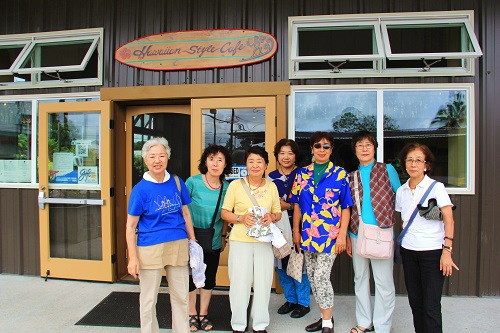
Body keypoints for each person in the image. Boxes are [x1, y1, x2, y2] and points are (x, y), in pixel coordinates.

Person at [126, 137, 196, 333]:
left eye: (161, 156)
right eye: (152, 156)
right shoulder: (139, 190)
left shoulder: (177, 182)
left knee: (181, 296)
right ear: (145, 160)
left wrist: (193, 242)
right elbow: (130, 226)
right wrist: (132, 257)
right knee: (148, 299)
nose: (157, 160)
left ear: (168, 157)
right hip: (150, 247)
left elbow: (185, 213)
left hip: (178, 244)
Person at [289, 131, 353, 333]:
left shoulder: (340, 174)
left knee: (321, 277)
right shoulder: (301, 174)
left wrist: (343, 234)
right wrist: (295, 231)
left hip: (330, 236)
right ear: (312, 149)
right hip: (308, 234)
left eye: (326, 146)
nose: (322, 149)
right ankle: (326, 316)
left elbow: (346, 207)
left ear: (332, 149)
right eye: (318, 146)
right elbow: (297, 204)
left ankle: (327, 324)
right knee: (313, 277)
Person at [395, 142, 459, 333]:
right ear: (404, 164)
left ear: (426, 165)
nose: (413, 164)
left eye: (418, 160)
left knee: (431, 305)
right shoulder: (401, 190)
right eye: (409, 160)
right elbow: (403, 220)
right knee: (415, 302)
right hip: (409, 252)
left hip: (432, 253)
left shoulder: (436, 187)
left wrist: (447, 251)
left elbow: (449, 220)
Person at [221, 145, 282, 333]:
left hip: (264, 242)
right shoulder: (235, 186)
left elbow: (278, 212)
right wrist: (240, 218)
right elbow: (225, 213)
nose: (255, 165)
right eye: (251, 161)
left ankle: (260, 324)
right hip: (240, 241)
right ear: (246, 164)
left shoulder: (271, 186)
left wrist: (271, 217)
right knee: (240, 283)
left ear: (266, 165)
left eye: (259, 161)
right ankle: (238, 325)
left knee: (263, 284)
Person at [346, 130, 401, 333]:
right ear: (355, 150)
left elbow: (401, 196)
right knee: (360, 279)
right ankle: (364, 322)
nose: (364, 148)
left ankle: (383, 325)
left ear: (375, 147)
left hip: (382, 234)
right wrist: (346, 236)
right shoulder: (351, 176)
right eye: (359, 145)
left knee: (384, 282)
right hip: (356, 234)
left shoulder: (388, 170)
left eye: (368, 144)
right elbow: (347, 208)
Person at [185, 145, 232, 332]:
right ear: (205, 161)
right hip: (191, 239)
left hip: (212, 239)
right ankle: (191, 314)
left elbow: (226, 215)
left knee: (209, 278)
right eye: (212, 159)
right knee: (190, 278)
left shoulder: (228, 188)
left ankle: (203, 314)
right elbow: (183, 210)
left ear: (225, 165)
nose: (215, 163)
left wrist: (223, 237)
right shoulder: (192, 182)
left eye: (220, 160)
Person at [268, 139, 311, 319]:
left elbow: (308, 202)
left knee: (300, 264)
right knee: (281, 263)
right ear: (277, 155)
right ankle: (290, 299)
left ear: (296, 156)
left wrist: (289, 206)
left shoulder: (303, 174)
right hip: (278, 227)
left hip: (300, 226)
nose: (286, 157)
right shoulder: (270, 177)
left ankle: (303, 302)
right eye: (282, 153)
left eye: (290, 153)